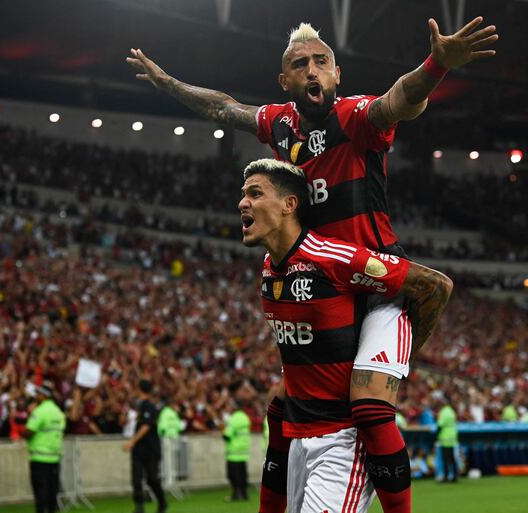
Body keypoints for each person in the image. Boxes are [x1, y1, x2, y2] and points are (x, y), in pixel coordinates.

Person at [127, 18, 493, 513]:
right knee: (286, 408)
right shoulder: (279, 123)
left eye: (322, 61)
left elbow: (399, 101)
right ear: (286, 82)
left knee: (365, 405)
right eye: (300, 64)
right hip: (322, 280)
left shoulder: (353, 117)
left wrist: (438, 65)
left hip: (377, 282)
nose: (312, 70)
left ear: (337, 74)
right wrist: (168, 84)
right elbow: (222, 106)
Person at [238, 158, 452, 513]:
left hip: (342, 443)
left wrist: (400, 363)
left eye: (255, 193)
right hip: (297, 442)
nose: (242, 203)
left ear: (290, 204)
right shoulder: (269, 269)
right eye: (243, 194)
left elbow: (436, 286)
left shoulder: (333, 259)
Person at [123, 379, 167, 513]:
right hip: (139, 449)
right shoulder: (140, 406)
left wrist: (132, 441)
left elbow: (146, 426)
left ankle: (162, 501)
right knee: (136, 478)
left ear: (140, 390)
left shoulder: (149, 406)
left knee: (152, 479)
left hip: (150, 448)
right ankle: (139, 507)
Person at [22, 382, 66, 513]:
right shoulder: (58, 412)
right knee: (52, 493)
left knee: (40, 494)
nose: (36, 396)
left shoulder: (39, 411)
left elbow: (29, 431)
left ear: (43, 395)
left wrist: (21, 430)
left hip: (39, 458)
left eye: (38, 393)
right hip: (54, 458)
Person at [223, 399, 251, 501]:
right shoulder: (245, 417)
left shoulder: (233, 419)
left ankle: (236, 494)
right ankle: (244, 494)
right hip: (243, 452)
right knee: (243, 475)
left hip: (233, 453)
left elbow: (227, 435)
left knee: (233, 476)